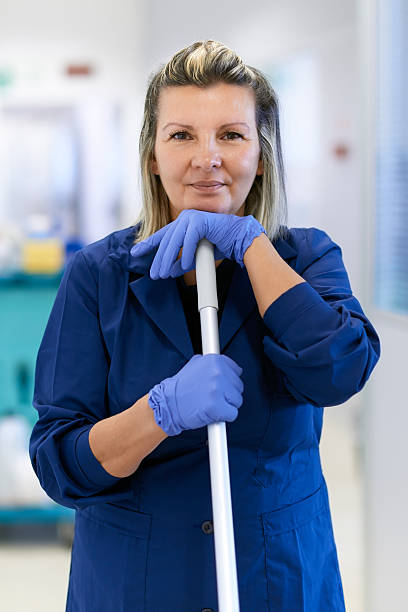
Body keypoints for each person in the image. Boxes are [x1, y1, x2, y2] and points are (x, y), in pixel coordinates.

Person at [29, 40, 381, 612]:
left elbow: (339, 369)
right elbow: (58, 462)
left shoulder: (307, 258)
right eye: (182, 135)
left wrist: (252, 248)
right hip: (137, 584)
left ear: (261, 157)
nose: (206, 156)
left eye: (232, 135)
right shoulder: (99, 276)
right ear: (152, 156)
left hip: (276, 580)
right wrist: (158, 412)